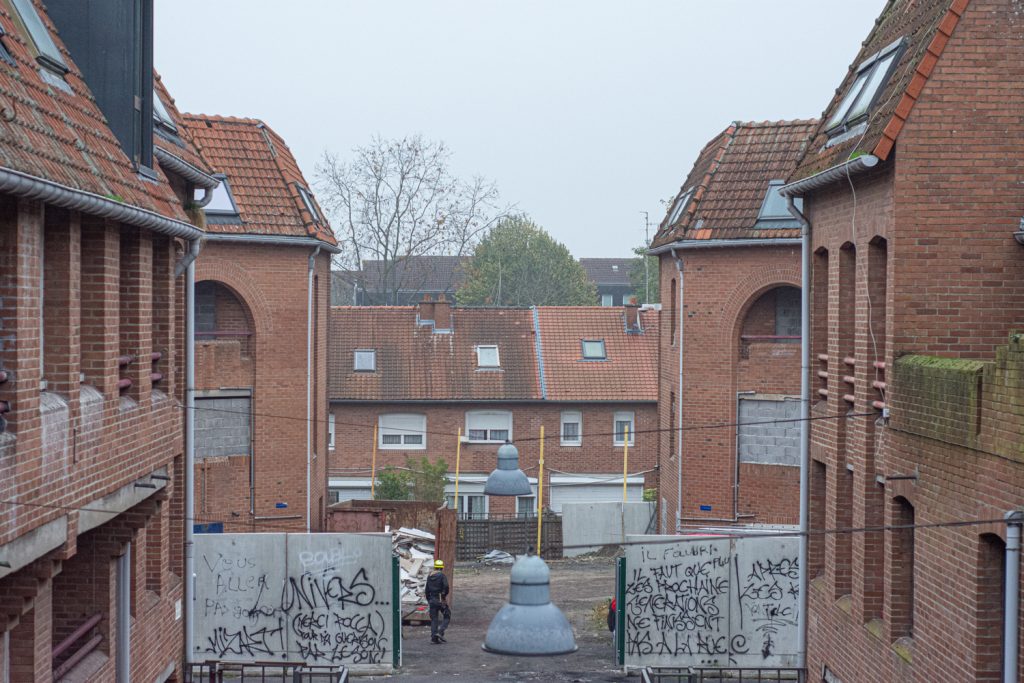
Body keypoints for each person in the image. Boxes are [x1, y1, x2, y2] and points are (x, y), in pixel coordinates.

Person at [426, 559, 450, 644]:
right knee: (447, 615)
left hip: (432, 600)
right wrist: (443, 595)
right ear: (441, 568)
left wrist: (429, 600)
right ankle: (440, 632)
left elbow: (427, 590)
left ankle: (434, 638)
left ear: (435, 567)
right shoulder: (442, 576)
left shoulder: (429, 576)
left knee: (434, 619)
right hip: (440, 599)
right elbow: (446, 586)